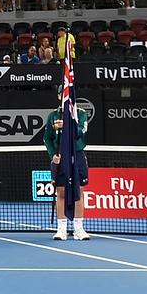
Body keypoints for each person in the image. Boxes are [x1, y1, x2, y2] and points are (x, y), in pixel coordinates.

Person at [44, 103, 91, 240]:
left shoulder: (81, 114)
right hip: (60, 156)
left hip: (77, 155)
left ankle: (78, 228)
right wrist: (53, 154)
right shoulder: (53, 115)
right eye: (62, 95)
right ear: (59, 97)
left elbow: (80, 132)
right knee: (61, 192)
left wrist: (65, 126)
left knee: (78, 192)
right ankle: (61, 229)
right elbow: (47, 138)